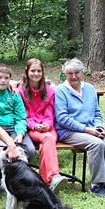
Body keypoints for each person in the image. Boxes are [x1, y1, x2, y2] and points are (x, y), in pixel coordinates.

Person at [54, 58, 105, 198]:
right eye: (70, 73)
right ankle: (96, 185)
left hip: (91, 129)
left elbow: (97, 112)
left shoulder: (90, 89)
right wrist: (87, 130)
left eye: (77, 72)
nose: (74, 76)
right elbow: (62, 118)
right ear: (65, 74)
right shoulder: (61, 91)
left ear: (83, 73)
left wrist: (99, 127)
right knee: (96, 144)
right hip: (68, 131)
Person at [17, 59, 67, 192]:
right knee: (47, 139)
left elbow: (50, 112)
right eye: (33, 70)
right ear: (27, 72)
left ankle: (45, 183)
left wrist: (47, 124)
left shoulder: (49, 91)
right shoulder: (20, 91)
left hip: (47, 127)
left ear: (43, 72)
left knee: (48, 140)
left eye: (39, 71)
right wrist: (35, 126)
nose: (36, 73)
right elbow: (22, 115)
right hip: (31, 128)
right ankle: (53, 177)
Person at [0, 64, 36, 162]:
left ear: (10, 80)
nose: (3, 80)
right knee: (4, 152)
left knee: (30, 151)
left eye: (6, 78)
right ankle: (4, 175)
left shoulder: (14, 94)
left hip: (14, 128)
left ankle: (19, 174)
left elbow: (21, 117)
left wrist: (20, 133)